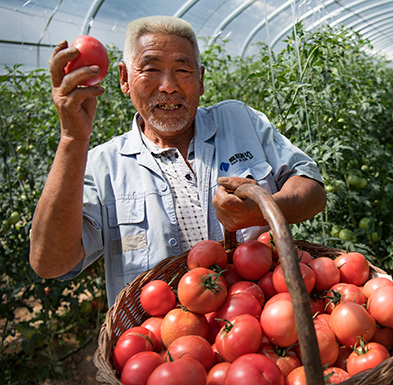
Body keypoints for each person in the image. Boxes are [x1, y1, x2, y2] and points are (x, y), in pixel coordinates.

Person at [29, 16, 327, 306]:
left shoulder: (240, 122)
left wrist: (265, 210)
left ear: (201, 79)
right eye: (151, 69)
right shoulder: (104, 166)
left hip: (257, 328)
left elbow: (313, 191)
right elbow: (50, 263)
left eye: (183, 70)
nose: (169, 86)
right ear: (124, 79)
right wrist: (72, 138)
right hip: (158, 349)